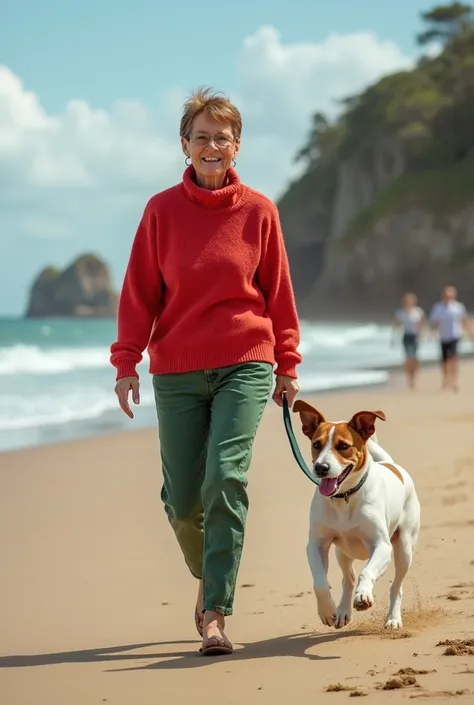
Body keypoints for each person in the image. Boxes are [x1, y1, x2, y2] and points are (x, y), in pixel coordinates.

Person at [109, 87, 302, 656]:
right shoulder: (160, 211)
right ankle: (209, 571)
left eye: (222, 136)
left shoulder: (260, 211)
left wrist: (286, 362)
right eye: (201, 136)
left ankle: (215, 611)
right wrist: (126, 361)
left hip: (246, 362)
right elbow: (140, 292)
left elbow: (279, 294)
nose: (212, 145)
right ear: (185, 145)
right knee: (184, 502)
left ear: (236, 145)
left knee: (226, 478)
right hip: (176, 370)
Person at [428, 285, 470, 392]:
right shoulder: (438, 307)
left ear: (454, 295)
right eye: (446, 294)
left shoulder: (458, 307)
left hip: (455, 335)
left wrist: (470, 332)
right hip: (443, 337)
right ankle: (446, 379)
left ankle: (455, 380)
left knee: (454, 358)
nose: (448, 296)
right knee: (444, 361)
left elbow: (464, 320)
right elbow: (433, 322)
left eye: (450, 294)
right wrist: (431, 331)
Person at [392, 292, 425, 389]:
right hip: (406, 336)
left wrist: (421, 335)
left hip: (415, 336)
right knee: (408, 358)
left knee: (415, 358)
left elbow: (421, 324)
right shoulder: (400, 313)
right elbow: (396, 325)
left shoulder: (418, 312)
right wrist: (393, 337)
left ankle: (414, 376)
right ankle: (409, 378)